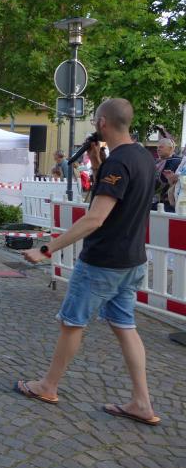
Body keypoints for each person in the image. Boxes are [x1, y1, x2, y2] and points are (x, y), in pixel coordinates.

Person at [18, 98, 160, 426]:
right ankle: (142, 402)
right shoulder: (143, 157)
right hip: (132, 260)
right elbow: (122, 201)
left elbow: (95, 218)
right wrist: (98, 167)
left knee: (72, 322)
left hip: (103, 261)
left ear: (102, 123)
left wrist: (47, 249)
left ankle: (48, 386)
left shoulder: (118, 163)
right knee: (125, 326)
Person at [152, 138, 180, 212]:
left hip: (168, 202)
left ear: (170, 148)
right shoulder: (157, 162)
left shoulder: (176, 161)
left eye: (161, 147)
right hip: (155, 200)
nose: (158, 149)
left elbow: (163, 179)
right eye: (157, 147)